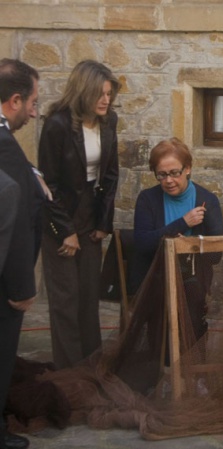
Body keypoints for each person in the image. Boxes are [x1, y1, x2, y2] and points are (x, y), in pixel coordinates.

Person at [38, 60, 121, 369]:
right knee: (66, 300)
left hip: (90, 209)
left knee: (88, 298)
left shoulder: (109, 120)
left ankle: (90, 369)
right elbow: (48, 183)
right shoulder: (57, 124)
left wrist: (102, 223)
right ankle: (69, 374)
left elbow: (111, 175)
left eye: (109, 94)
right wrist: (65, 231)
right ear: (83, 92)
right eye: (100, 93)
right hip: (59, 210)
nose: (106, 100)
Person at [132, 137, 223, 340]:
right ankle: (162, 365)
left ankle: (193, 365)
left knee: (191, 309)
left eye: (175, 173)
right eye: (161, 175)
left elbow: (216, 254)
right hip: (155, 276)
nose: (169, 181)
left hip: (193, 277)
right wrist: (182, 223)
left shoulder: (207, 200)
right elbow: (143, 243)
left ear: (188, 168)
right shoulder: (147, 199)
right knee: (159, 316)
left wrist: (187, 245)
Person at [0, 58, 43, 449]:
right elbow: (13, 223)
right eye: (32, 102)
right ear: (14, 100)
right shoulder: (5, 147)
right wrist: (21, 286)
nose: (34, 111)